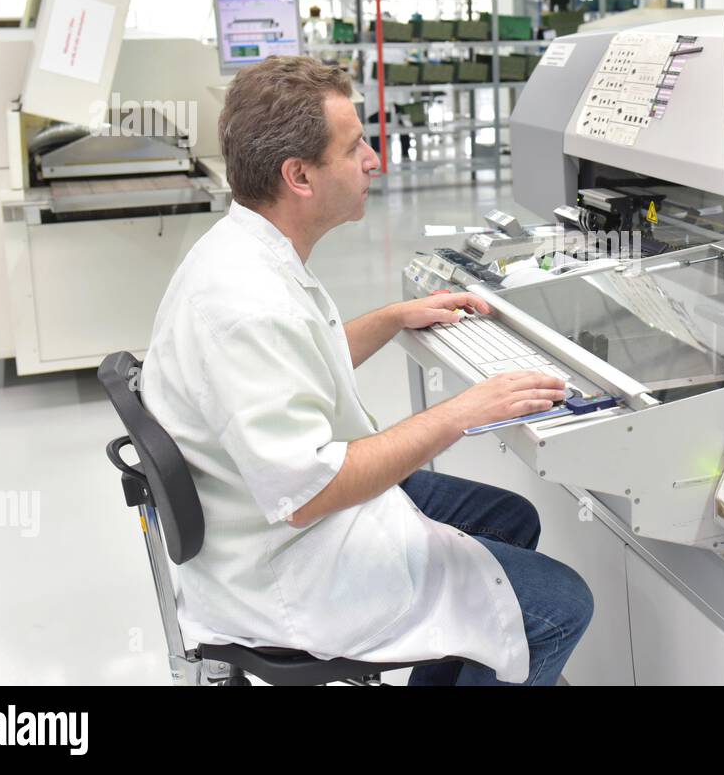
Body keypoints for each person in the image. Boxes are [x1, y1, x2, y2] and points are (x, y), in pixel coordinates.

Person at [141, 55, 593, 685]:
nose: (375, 158)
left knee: (513, 520)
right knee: (563, 606)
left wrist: (392, 318)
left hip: (261, 517)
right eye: (355, 147)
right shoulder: (247, 305)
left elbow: (296, 369)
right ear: (299, 175)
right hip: (289, 569)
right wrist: (463, 412)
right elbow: (311, 493)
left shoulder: (243, 250)